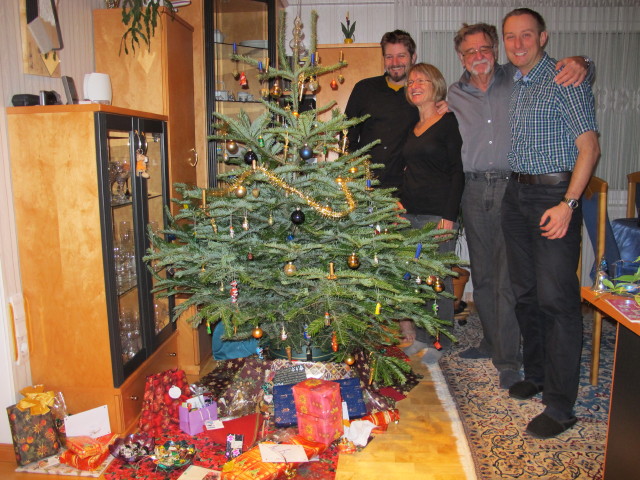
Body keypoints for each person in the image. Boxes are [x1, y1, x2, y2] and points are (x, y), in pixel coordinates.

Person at [447, 23, 593, 390]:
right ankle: (491, 341)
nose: (478, 56)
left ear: (494, 49)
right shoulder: (453, 93)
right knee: (482, 276)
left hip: (514, 185)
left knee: (509, 279)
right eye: (469, 52)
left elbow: (567, 72)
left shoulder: (518, 75)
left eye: (484, 48)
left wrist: (585, 62)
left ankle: (509, 360)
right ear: (460, 57)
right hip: (474, 189)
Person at [500, 8, 600, 438]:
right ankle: (538, 374)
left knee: (558, 302)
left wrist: (568, 204)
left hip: (552, 197)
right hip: (516, 195)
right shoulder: (516, 81)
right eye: (510, 37)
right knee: (525, 295)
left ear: (543, 37)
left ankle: (561, 407)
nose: (517, 44)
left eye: (526, 36)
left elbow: (590, 148)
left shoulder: (565, 78)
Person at [398, 63, 464, 363]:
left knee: (440, 282)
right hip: (411, 214)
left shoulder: (448, 122)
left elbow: (457, 173)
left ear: (435, 85)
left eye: (421, 80)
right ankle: (423, 338)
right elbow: (409, 170)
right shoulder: (412, 125)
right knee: (418, 282)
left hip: (437, 215)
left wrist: (449, 216)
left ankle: (441, 343)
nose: (414, 84)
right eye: (411, 81)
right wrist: (399, 203)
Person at [345, 30, 419, 191]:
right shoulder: (364, 89)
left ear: (413, 57)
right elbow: (347, 135)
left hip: (408, 187)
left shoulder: (421, 93)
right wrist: (352, 172)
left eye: (401, 56)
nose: (395, 62)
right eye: (389, 57)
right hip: (366, 185)